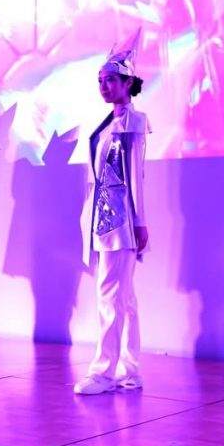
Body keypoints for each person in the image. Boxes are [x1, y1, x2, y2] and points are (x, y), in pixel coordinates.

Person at [74, 29, 150, 395]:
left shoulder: (133, 122)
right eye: (100, 80)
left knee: (110, 295)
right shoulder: (107, 125)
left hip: (120, 222)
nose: (104, 86)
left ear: (128, 83)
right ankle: (129, 369)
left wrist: (140, 222)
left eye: (111, 80)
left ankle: (104, 372)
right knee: (124, 297)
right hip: (103, 220)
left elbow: (136, 175)